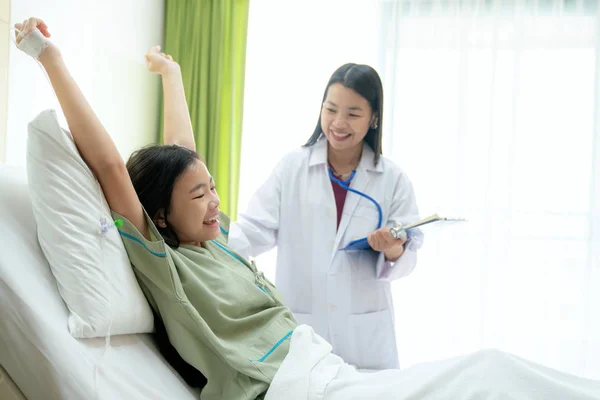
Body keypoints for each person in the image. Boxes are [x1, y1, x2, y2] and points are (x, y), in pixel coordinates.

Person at [14, 17, 600, 400]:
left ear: (373, 118)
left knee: (491, 371)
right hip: (294, 384)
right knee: (488, 376)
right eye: (201, 196)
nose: (217, 201)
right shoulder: (166, 260)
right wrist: (49, 56)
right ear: (160, 218)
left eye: (214, 187)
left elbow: (183, 157)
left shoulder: (207, 240)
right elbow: (114, 168)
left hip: (326, 363)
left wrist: (174, 77)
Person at [158, 49, 422, 370]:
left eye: (353, 114)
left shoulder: (392, 178)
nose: (338, 123)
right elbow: (253, 231)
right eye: (331, 109)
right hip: (305, 327)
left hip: (365, 336)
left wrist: (394, 250)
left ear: (374, 118)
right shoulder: (293, 167)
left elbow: (408, 258)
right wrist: (194, 238)